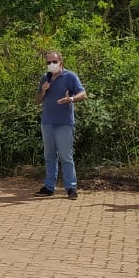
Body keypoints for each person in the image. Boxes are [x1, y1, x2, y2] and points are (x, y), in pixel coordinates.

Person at [34, 51, 87, 200]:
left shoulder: (70, 76)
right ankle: (49, 187)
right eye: (48, 62)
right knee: (49, 156)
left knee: (66, 156)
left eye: (54, 62)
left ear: (61, 62)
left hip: (64, 123)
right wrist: (43, 91)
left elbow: (83, 94)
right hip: (47, 122)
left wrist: (70, 99)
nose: (51, 65)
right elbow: (37, 100)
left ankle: (71, 188)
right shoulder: (45, 78)